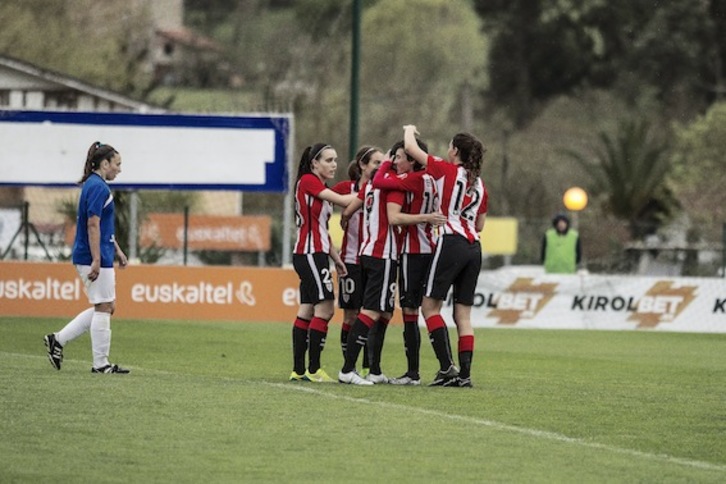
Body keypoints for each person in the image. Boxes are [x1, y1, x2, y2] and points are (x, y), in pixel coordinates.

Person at [338, 145, 444, 385]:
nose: (392, 162)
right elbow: (394, 218)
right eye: (390, 158)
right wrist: (428, 217)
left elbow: (350, 210)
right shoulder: (393, 185)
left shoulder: (371, 186)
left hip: (368, 252)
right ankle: (348, 369)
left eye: (387, 159)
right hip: (383, 254)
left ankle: (374, 369)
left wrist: (346, 219)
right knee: (372, 310)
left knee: (383, 311)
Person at [403, 125, 488, 388]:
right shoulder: (480, 184)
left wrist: (409, 129)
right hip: (474, 247)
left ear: (455, 151)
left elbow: (410, 148)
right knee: (463, 316)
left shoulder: (445, 168)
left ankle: (446, 368)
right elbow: (481, 224)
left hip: (451, 241)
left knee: (429, 307)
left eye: (450, 145)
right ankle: (465, 375)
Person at [44, 141, 130, 374]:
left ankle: (58, 340)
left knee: (107, 305)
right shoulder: (98, 188)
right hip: (93, 256)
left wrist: (117, 250)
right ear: (105, 163)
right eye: (117, 164)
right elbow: (93, 224)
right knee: (104, 306)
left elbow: (102, 226)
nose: (119, 169)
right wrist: (96, 259)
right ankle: (100, 364)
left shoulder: (94, 185)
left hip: (99, 253)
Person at [371, 139, 443, 386]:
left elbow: (379, 185)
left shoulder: (412, 180)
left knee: (411, 311)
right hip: (429, 248)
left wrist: (386, 165)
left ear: (413, 159)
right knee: (428, 310)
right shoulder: (433, 179)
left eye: (400, 157)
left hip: (413, 252)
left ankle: (413, 373)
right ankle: (444, 366)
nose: (396, 161)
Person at [290, 143, 355, 383]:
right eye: (328, 160)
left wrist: (336, 258)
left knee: (307, 309)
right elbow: (341, 199)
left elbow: (322, 230)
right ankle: (314, 369)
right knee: (326, 309)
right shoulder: (308, 180)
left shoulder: (317, 186)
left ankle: (298, 371)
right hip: (310, 253)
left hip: (313, 253)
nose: (334, 164)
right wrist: (371, 190)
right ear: (314, 163)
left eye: (335, 159)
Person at [330, 147, 384, 370]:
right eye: (376, 163)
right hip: (351, 261)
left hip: (374, 259)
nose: (381, 167)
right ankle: (349, 365)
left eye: (383, 162)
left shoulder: (383, 189)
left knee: (373, 315)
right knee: (351, 316)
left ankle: (368, 367)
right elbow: (320, 204)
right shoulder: (345, 189)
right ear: (363, 165)